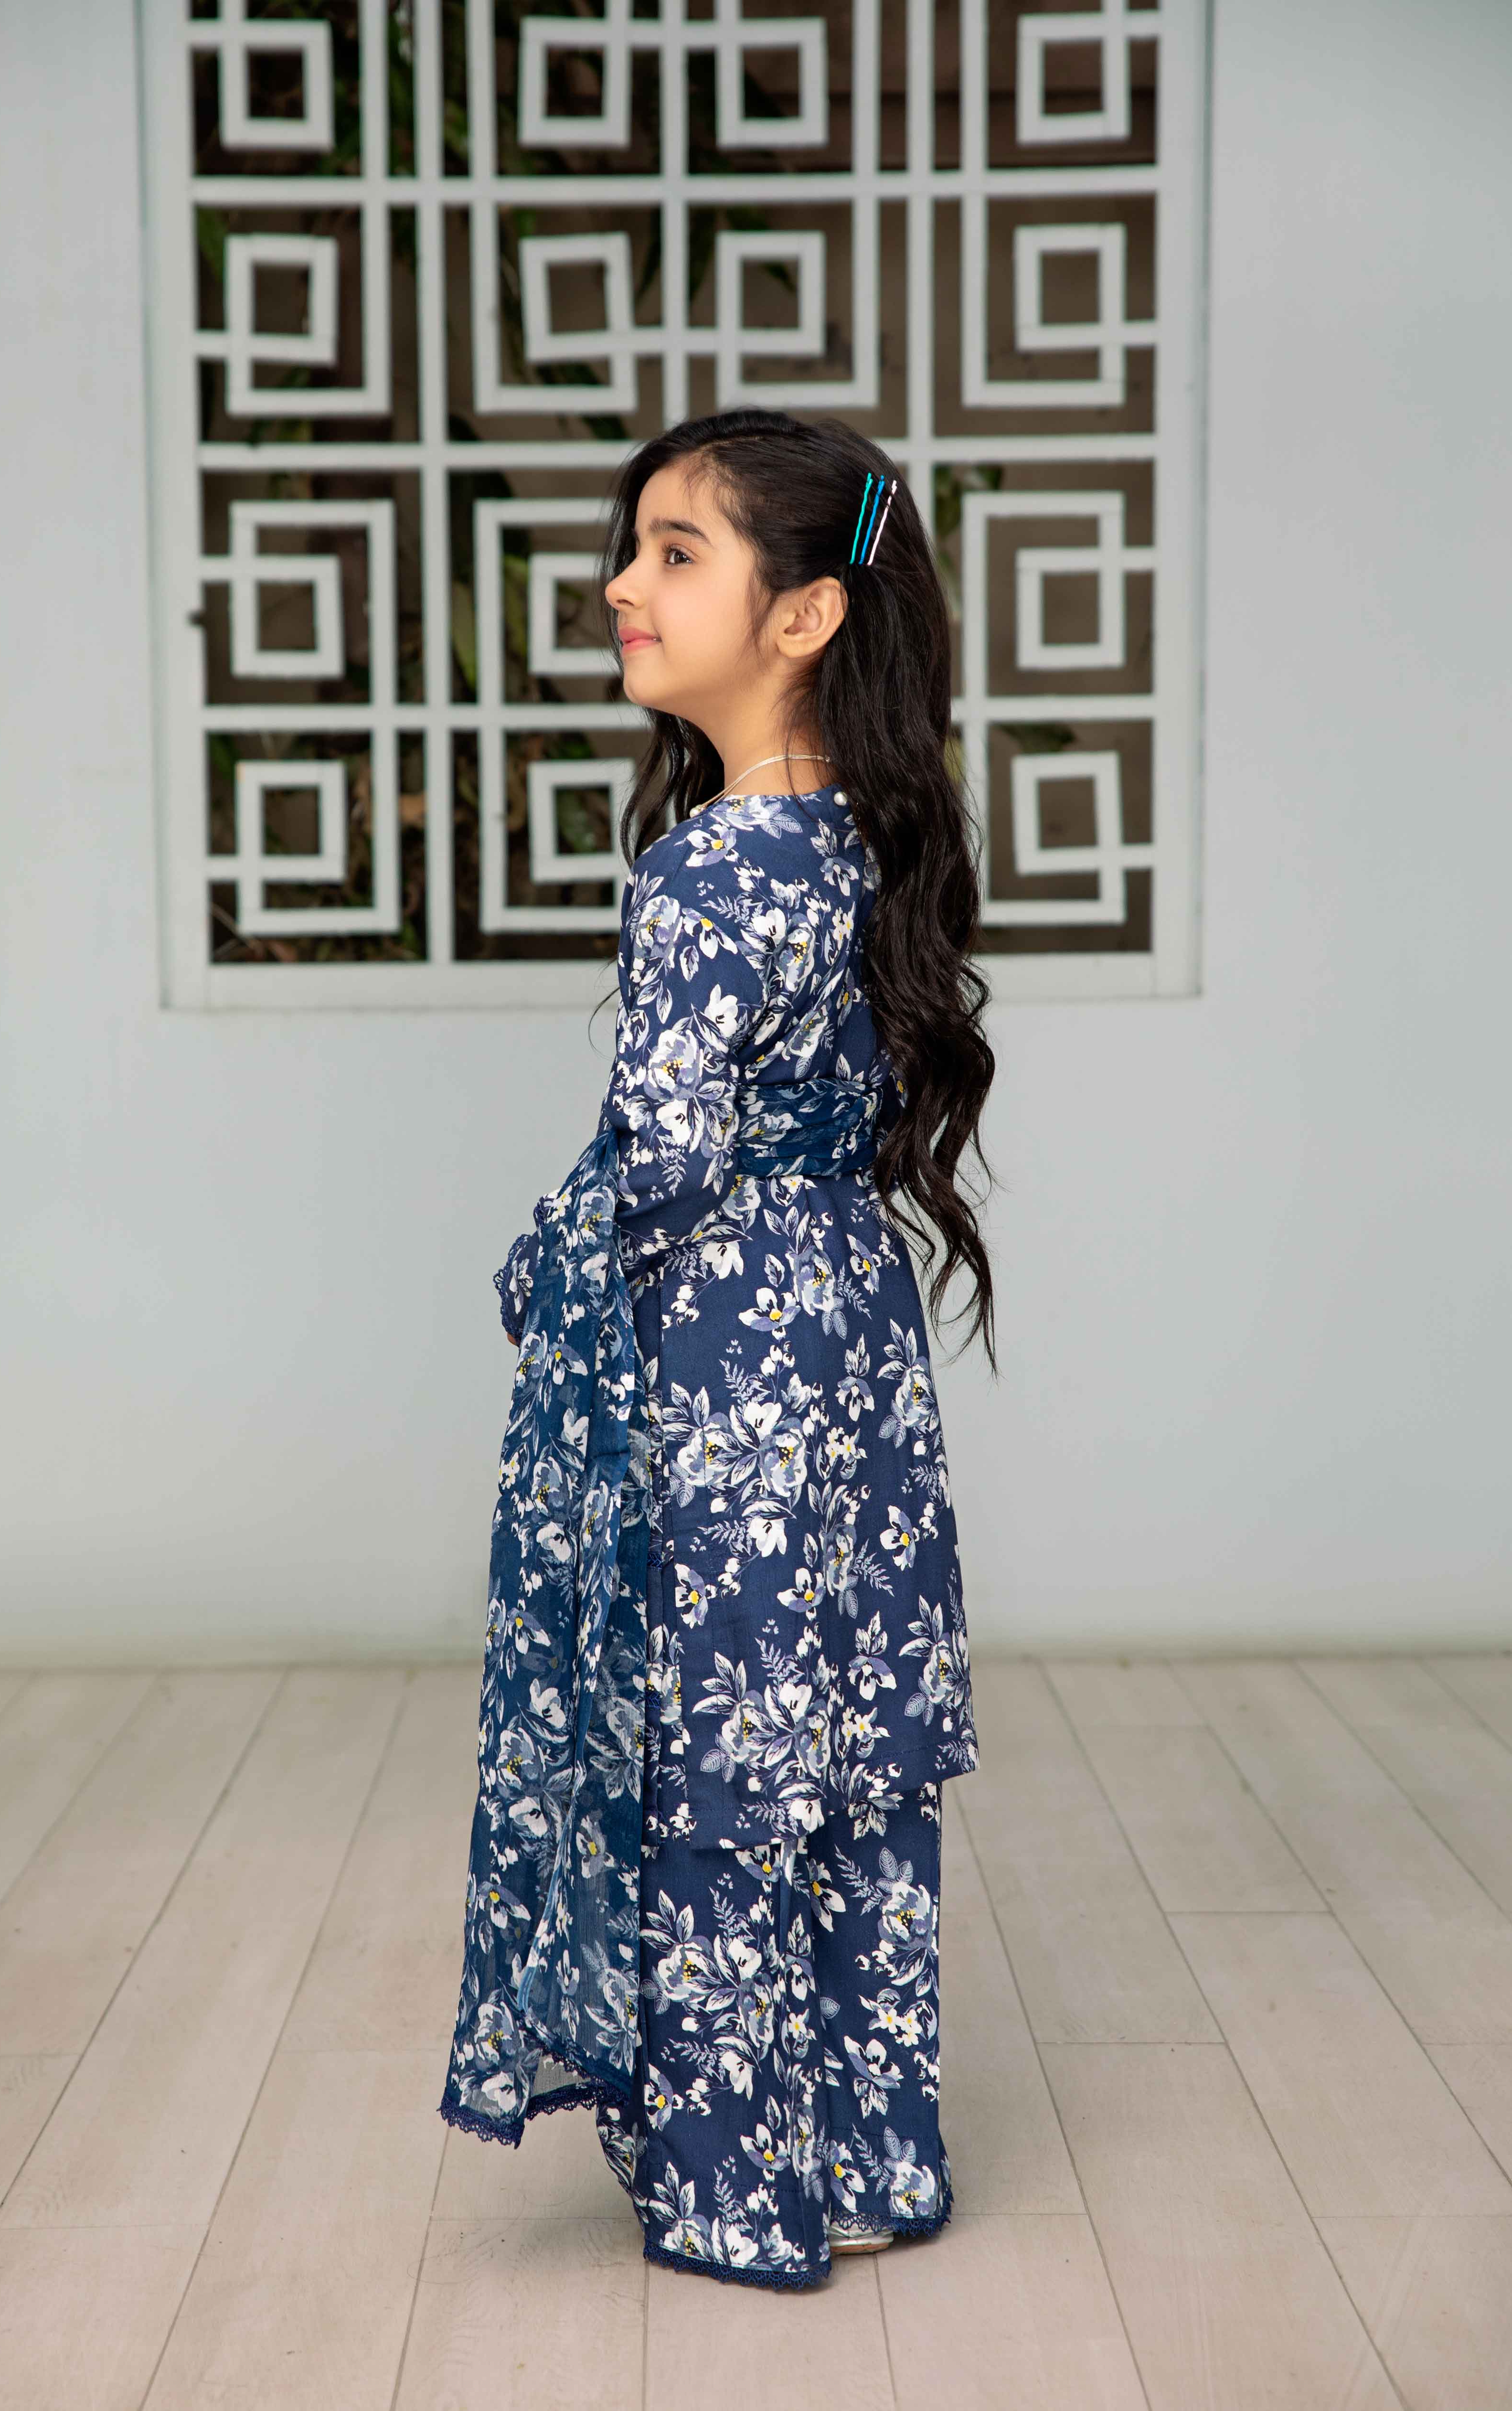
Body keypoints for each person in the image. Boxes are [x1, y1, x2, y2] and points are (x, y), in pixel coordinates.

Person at [439, 406, 997, 2291]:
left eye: (677, 552)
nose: (624, 584)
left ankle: (733, 2182)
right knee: (837, 1735)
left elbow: (662, 1164)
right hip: (846, 1335)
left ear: (805, 613)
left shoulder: (704, 870)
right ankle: (870, 2157)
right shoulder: (859, 843)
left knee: (714, 1744)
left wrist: (539, 1261)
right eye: (634, 546)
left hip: (722, 1356)